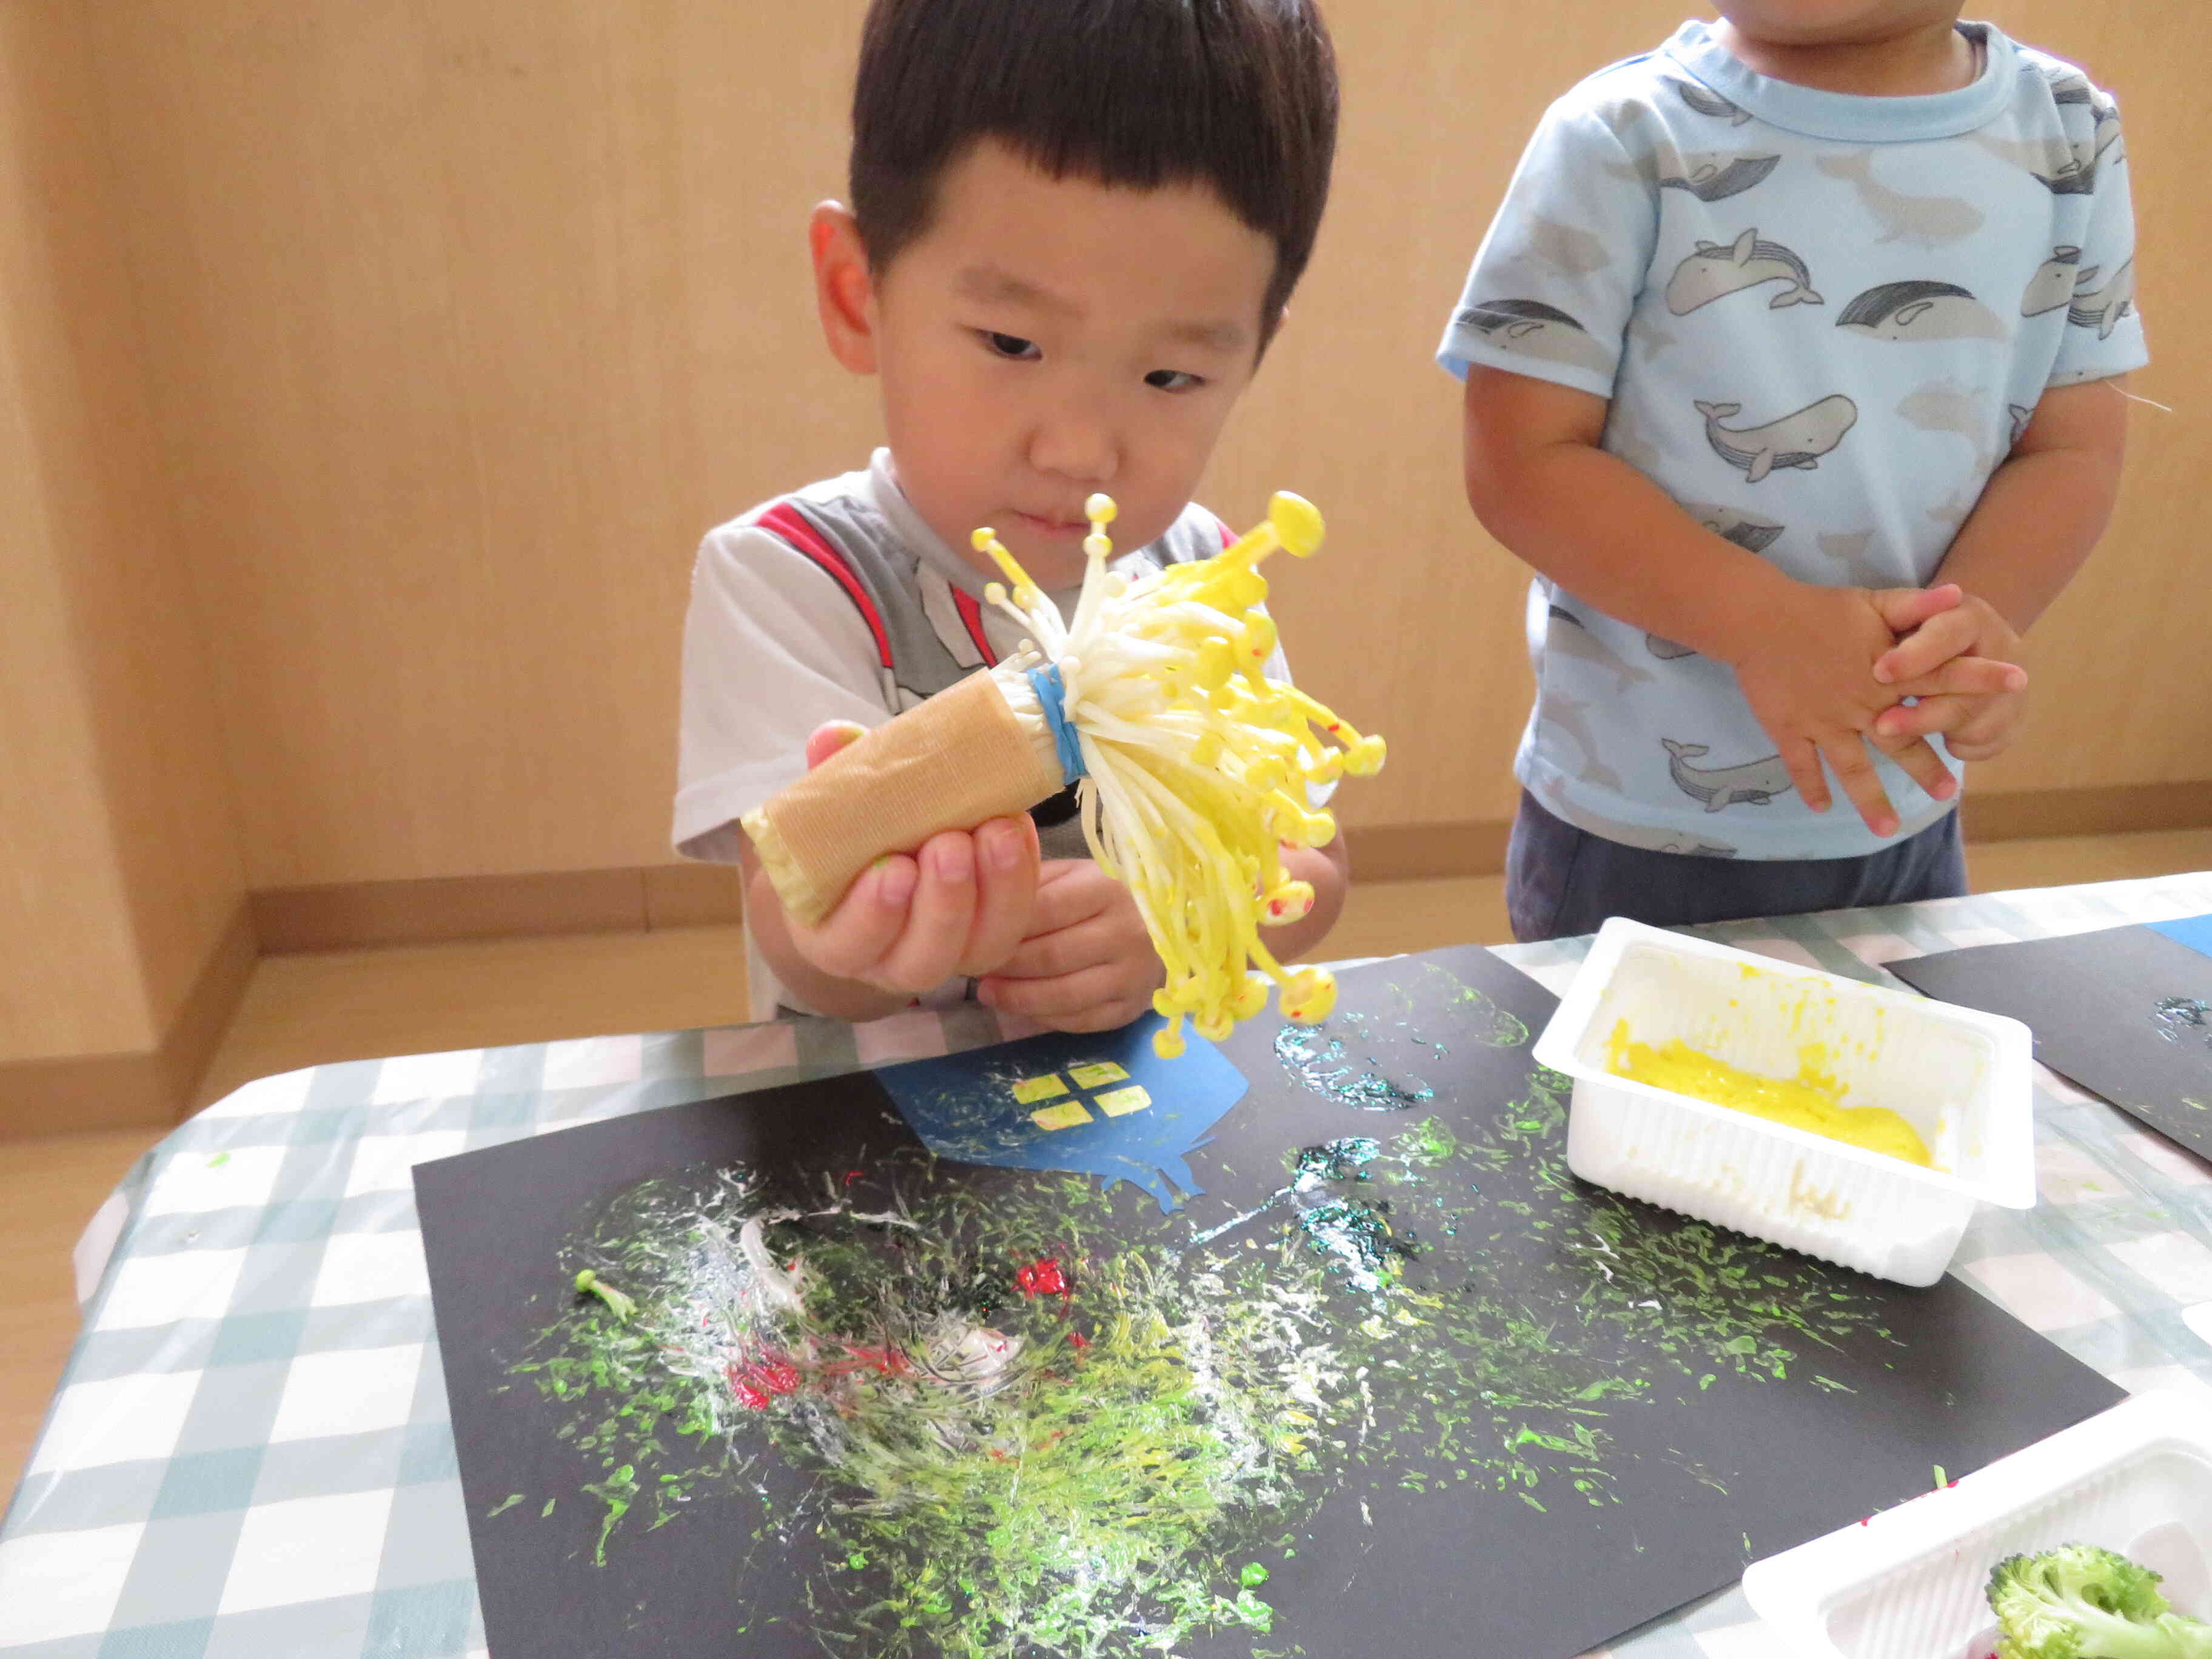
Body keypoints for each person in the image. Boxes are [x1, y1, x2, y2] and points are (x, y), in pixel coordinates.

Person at [675, 0, 1350, 1028]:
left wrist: (1182, 916)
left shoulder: (1202, 583)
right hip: (874, 1101)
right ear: (858, 295)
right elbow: (798, 939)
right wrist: (857, 941)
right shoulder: (791, 575)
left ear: (1253, 356)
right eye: (1010, 344)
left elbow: (1313, 865)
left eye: (1170, 375)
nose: (1079, 451)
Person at [1441, 1, 2143, 940]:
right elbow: (1522, 463)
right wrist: (1767, 625)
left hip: (1907, 794)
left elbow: (2071, 448)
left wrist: (1966, 631)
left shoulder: (2071, 129)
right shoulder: (1622, 133)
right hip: (1645, 818)